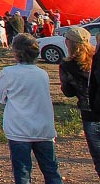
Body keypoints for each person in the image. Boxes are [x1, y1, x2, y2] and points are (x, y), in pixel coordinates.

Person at [0, 33, 63, 184]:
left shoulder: (8, 72)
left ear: (16, 52)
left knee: (23, 172)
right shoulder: (42, 74)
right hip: (43, 129)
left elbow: (1, 98)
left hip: (18, 129)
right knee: (51, 170)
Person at [58, 25, 100, 176]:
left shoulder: (67, 65)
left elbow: (68, 92)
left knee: (98, 158)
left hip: (89, 114)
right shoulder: (97, 57)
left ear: (69, 43)